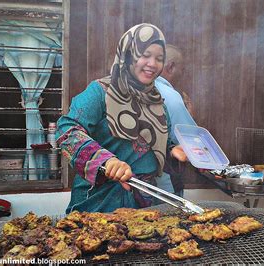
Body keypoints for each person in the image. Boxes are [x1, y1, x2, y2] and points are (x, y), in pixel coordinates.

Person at [56, 23, 187, 213]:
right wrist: (106, 162)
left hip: (144, 205)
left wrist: (172, 151)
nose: (152, 64)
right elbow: (67, 130)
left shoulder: (158, 103)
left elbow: (151, 146)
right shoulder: (100, 92)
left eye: (159, 58)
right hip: (99, 204)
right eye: (145, 55)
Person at [154, 44, 197, 197]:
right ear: (171, 67)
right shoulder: (170, 95)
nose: (183, 74)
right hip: (164, 187)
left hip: (134, 185)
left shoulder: (135, 89)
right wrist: (190, 115)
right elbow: (190, 142)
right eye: (182, 69)